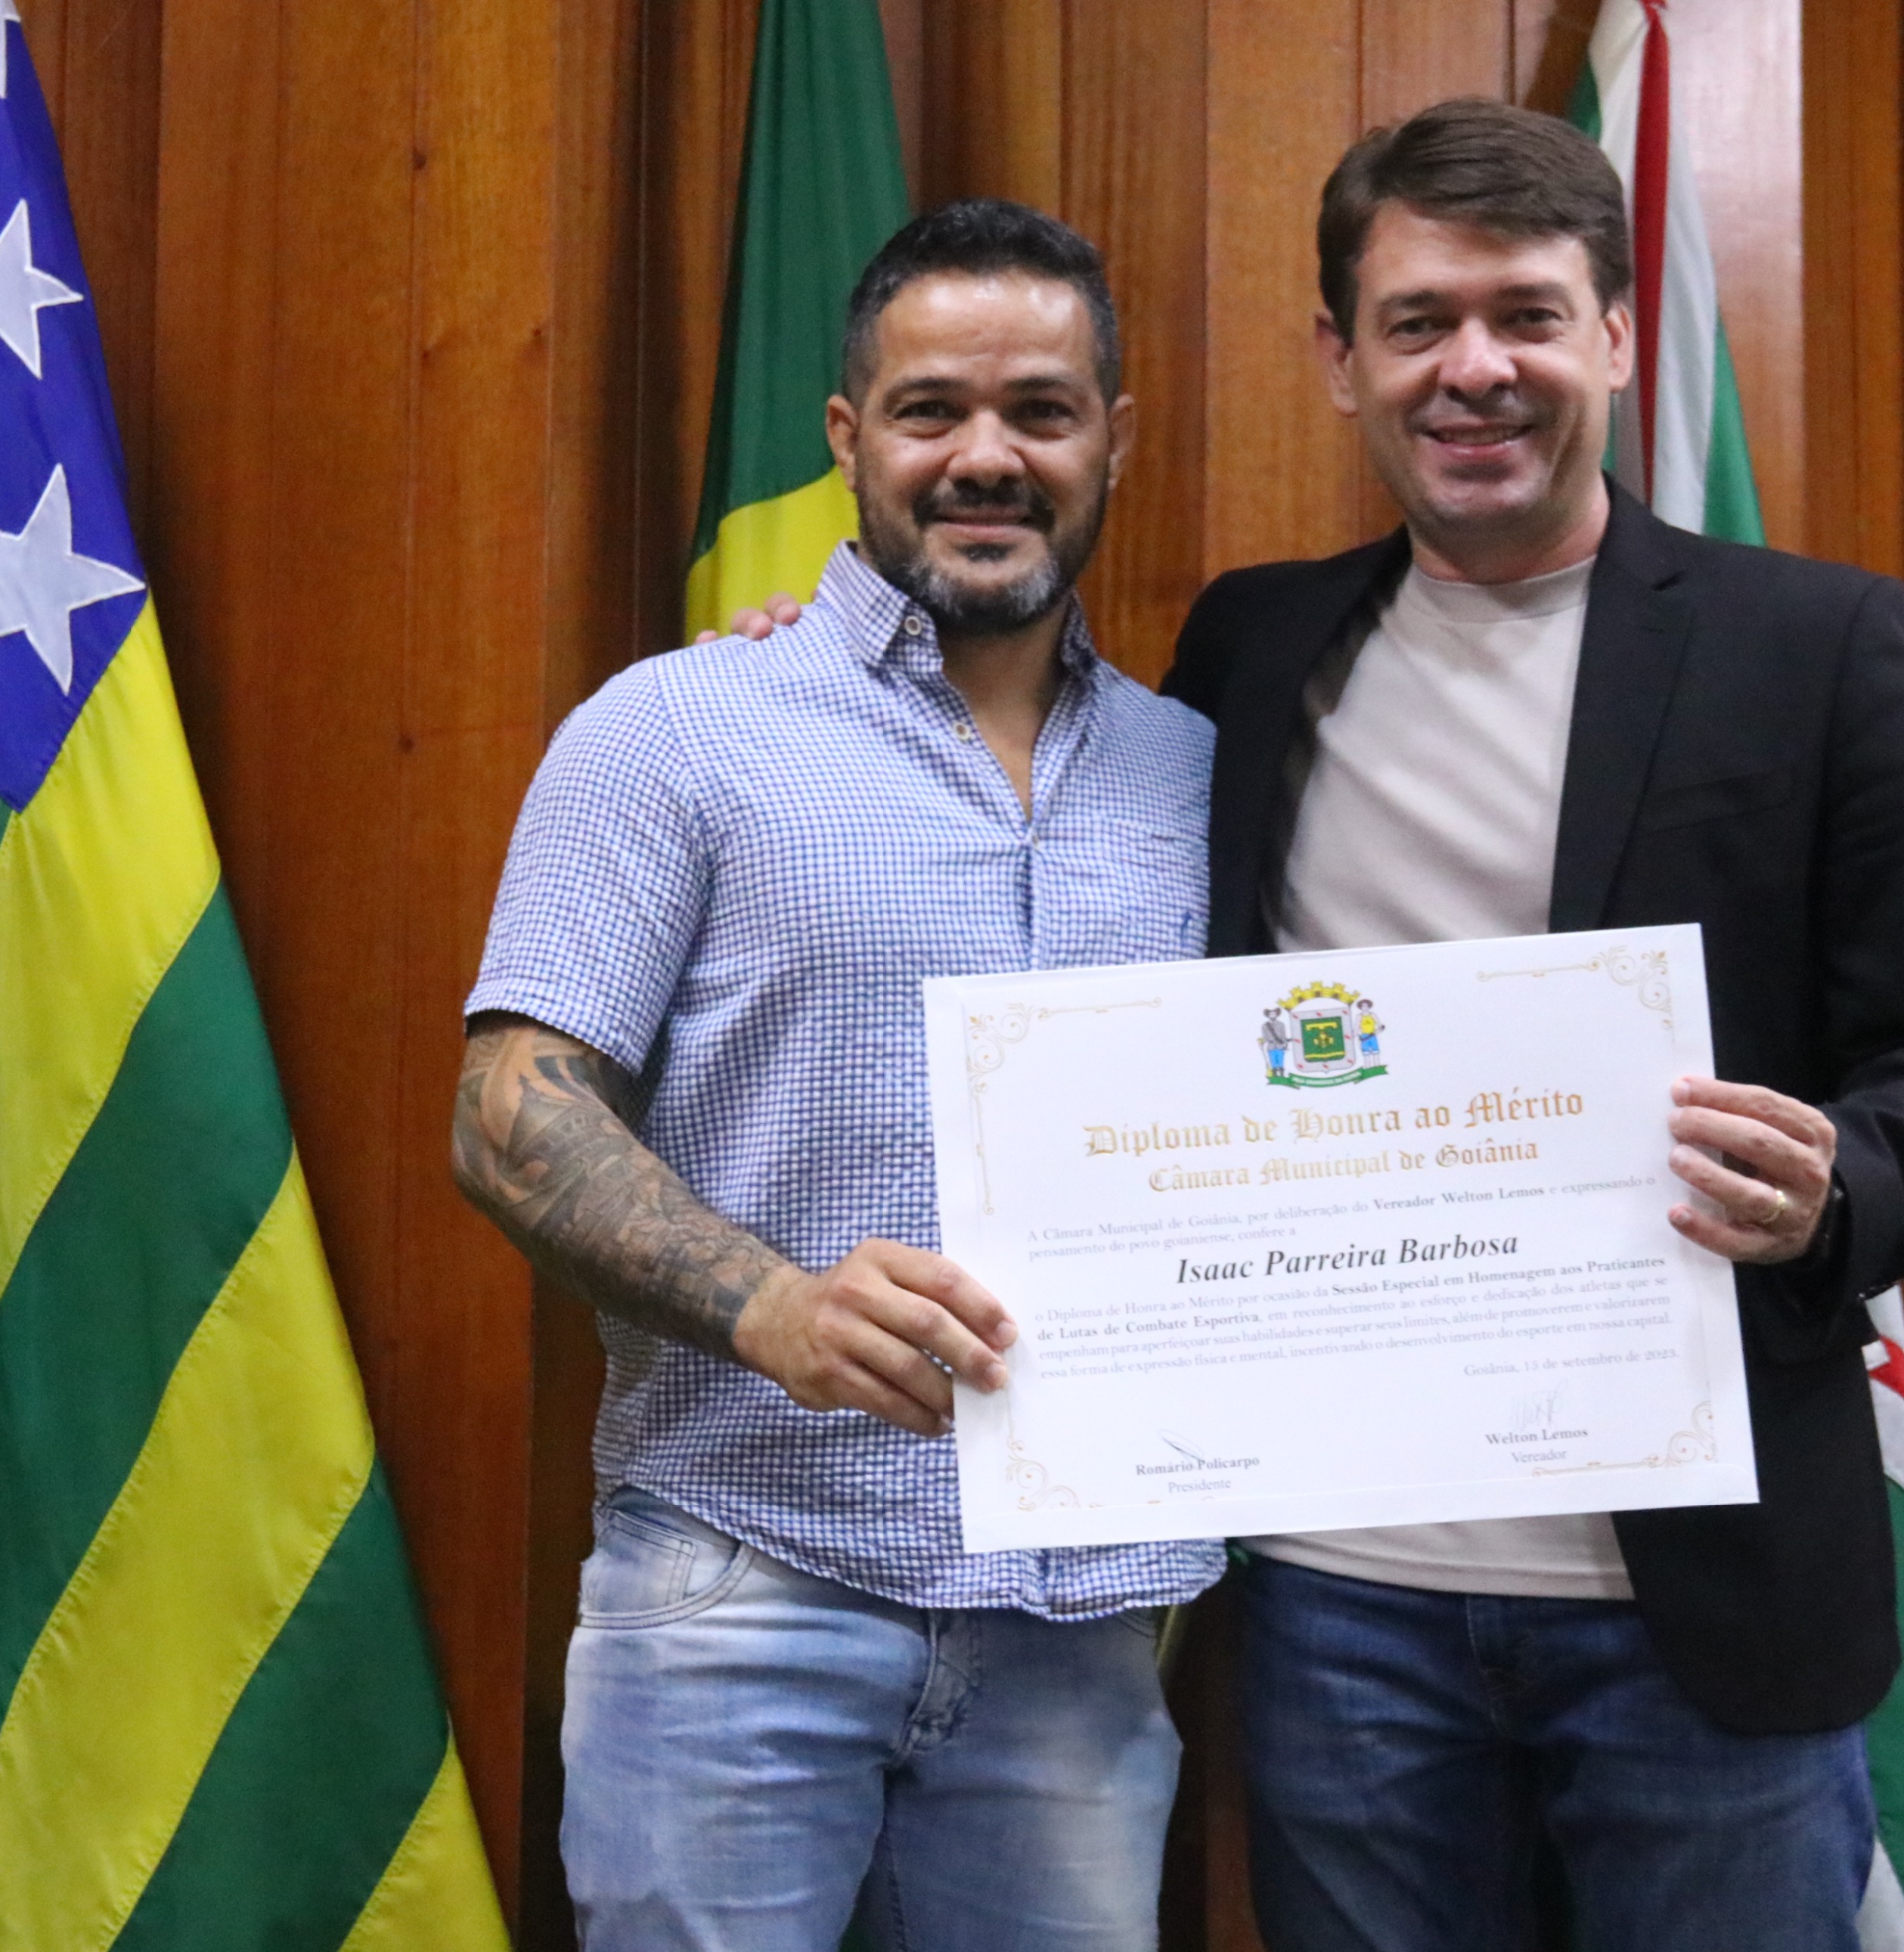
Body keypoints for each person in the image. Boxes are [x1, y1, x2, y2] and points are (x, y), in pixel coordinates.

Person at [1158, 99, 1904, 1949]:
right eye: (1417, 321)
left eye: (1528, 315)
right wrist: (811, 650)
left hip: (1702, 1597)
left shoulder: (1816, 645)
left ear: (1619, 339)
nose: (1473, 367)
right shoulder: (1248, 648)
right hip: (1344, 1594)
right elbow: (1038, 796)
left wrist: (1834, 1186)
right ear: (1339, 359)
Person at [452, 199, 1224, 1952]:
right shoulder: (672, 731)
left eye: (1040, 410)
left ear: (1114, 437)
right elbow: (509, 1115)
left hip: (1082, 1637)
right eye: (930, 408)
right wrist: (774, 1309)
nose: (985, 456)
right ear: (846, 436)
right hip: (742, 1587)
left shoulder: (1198, 771)